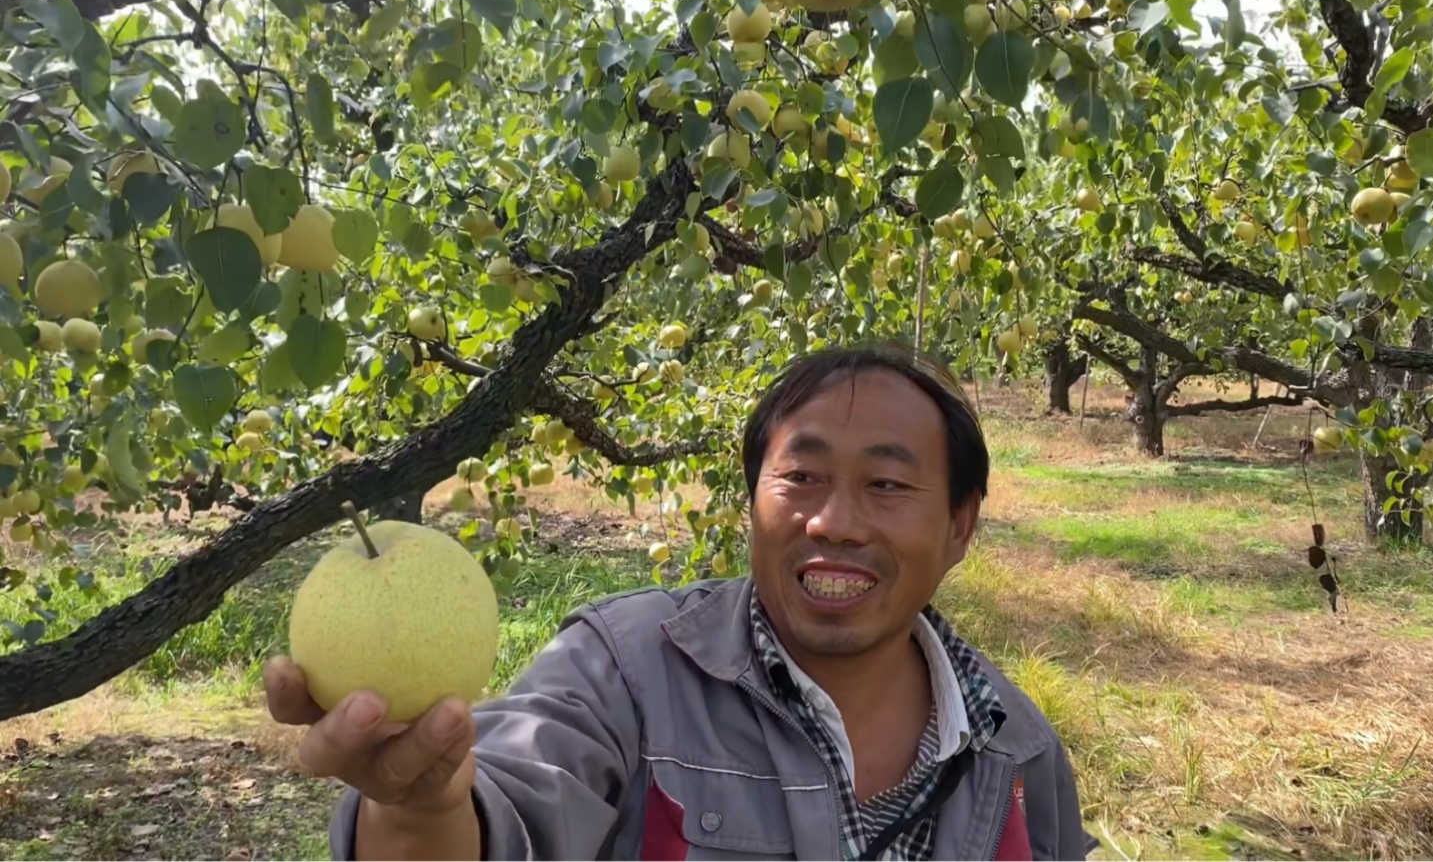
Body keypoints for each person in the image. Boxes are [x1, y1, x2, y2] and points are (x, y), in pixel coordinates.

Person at [264, 343, 1096, 860]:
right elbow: (509, 805)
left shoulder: (1014, 749)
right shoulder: (622, 671)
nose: (833, 521)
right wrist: (421, 810)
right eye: (800, 478)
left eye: (886, 484)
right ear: (751, 503)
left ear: (959, 526)